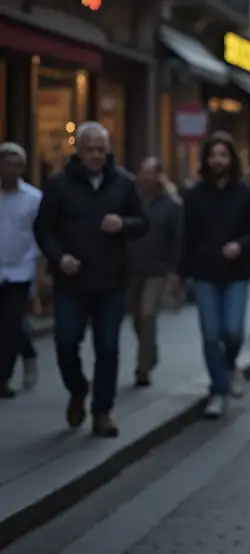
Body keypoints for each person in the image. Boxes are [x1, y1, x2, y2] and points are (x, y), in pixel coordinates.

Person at [33, 123, 149, 437]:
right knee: (66, 342)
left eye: (101, 149)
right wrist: (60, 257)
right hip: (71, 281)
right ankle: (78, 388)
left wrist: (123, 223)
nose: (96, 155)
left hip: (111, 281)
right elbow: (44, 228)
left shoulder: (124, 183)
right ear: (79, 150)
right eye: (90, 150)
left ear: (108, 150)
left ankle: (102, 412)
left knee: (108, 348)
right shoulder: (59, 184)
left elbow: (142, 224)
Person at [171, 133, 250, 419]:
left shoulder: (246, 194)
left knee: (232, 331)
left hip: (236, 274)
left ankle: (230, 364)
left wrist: (240, 245)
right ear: (206, 160)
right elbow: (185, 236)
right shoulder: (195, 195)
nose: (218, 161)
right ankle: (218, 390)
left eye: (223, 155)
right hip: (204, 273)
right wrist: (179, 273)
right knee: (211, 334)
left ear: (231, 159)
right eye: (213, 155)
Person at [125, 157, 182, 386]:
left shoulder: (172, 205)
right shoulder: (131, 199)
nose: (146, 178)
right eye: (143, 173)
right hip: (132, 266)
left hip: (157, 269)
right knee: (135, 317)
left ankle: (143, 368)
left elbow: (178, 240)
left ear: (159, 175)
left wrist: (175, 271)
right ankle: (151, 350)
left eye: (150, 173)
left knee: (148, 313)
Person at [0, 142, 42, 399]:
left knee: (12, 322)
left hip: (21, 269)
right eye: (7, 163)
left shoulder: (34, 198)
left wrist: (41, 271)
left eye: (18, 164)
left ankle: (3, 378)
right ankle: (28, 351)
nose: (12, 169)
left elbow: (40, 235)